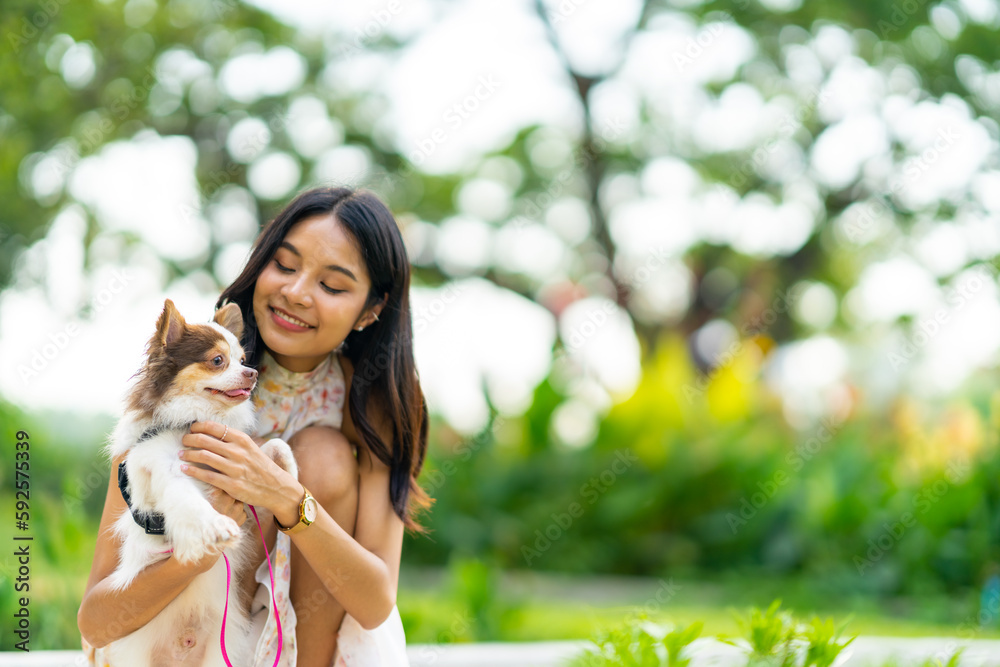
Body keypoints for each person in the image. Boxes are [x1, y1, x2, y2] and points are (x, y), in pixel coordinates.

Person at [78, 186, 431, 666]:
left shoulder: (370, 403)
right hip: (175, 637)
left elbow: (374, 602)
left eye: (331, 286)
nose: (296, 292)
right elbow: (97, 621)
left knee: (323, 455)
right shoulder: (191, 377)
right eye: (285, 265)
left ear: (371, 310)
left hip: (301, 642)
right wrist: (194, 553)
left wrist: (285, 497)